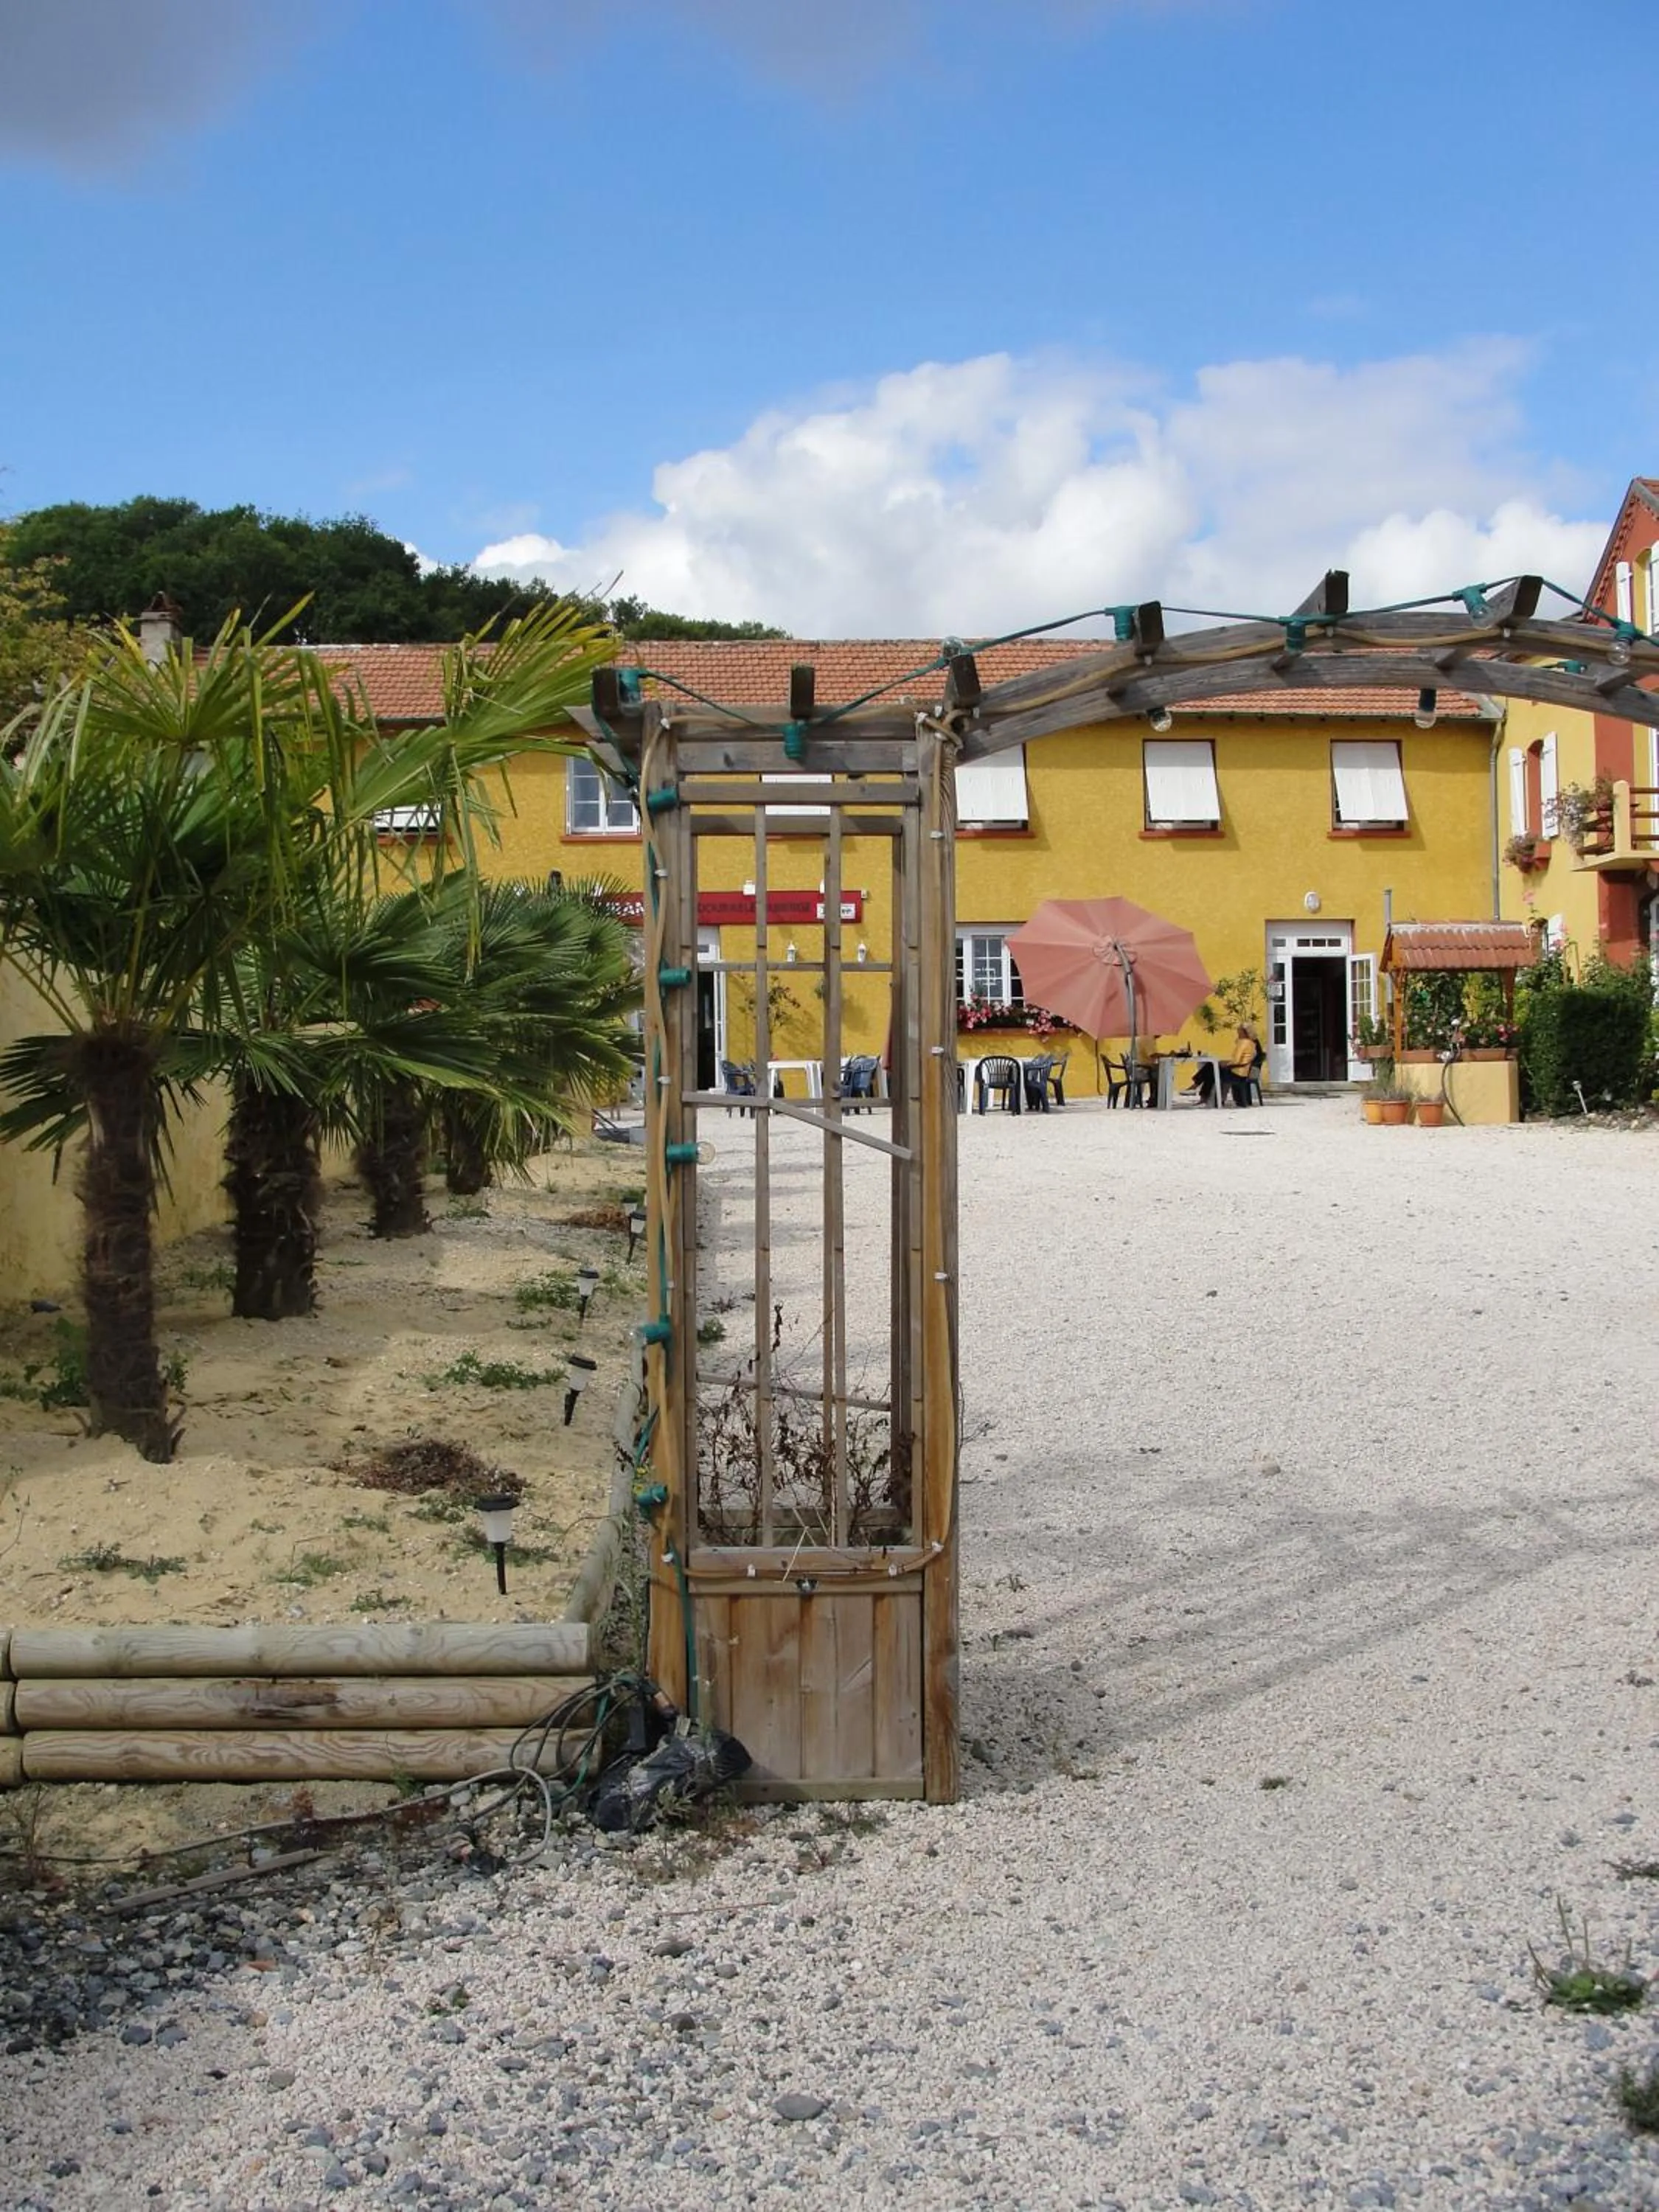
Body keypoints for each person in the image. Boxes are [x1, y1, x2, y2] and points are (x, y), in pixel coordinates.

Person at [1189, 1023, 1262, 1104]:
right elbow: (1242, 1060)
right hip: (1241, 1071)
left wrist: (1225, 1064)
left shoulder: (1243, 1043)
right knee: (1212, 1069)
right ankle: (1202, 1093)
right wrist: (1226, 1063)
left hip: (1237, 1073)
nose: (1237, 1034)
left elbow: (1236, 1061)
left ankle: (1199, 1088)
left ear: (1245, 1032)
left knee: (1212, 1068)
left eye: (1239, 1032)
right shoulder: (1251, 1043)